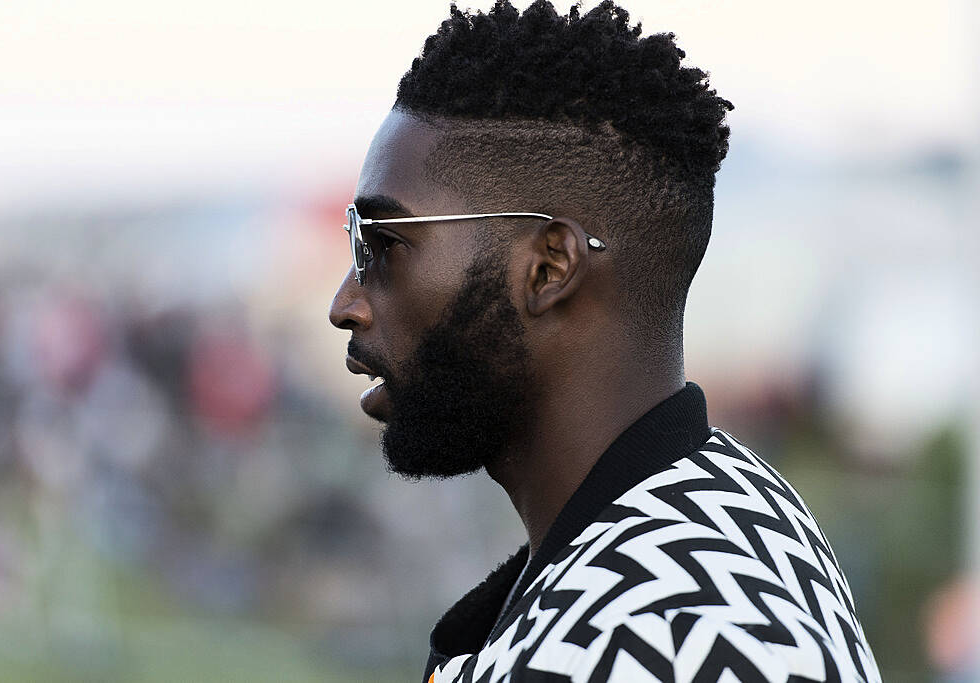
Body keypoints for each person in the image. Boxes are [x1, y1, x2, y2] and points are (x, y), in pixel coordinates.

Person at [328, 1, 881, 681]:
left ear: (549, 267)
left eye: (384, 244)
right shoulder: (720, 503)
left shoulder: (695, 634)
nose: (345, 303)